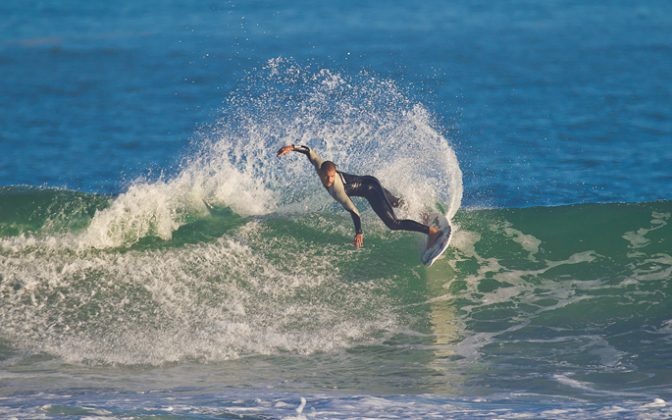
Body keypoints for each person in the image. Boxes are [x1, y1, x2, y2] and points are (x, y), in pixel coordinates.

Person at [277, 144, 441, 249]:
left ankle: (431, 231)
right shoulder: (320, 166)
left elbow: (354, 211)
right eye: (327, 177)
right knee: (396, 202)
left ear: (334, 175)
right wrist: (291, 148)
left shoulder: (337, 190)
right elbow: (309, 151)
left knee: (393, 223)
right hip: (370, 180)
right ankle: (423, 214)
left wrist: (359, 232)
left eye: (332, 178)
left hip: (371, 190)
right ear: (321, 172)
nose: (329, 181)